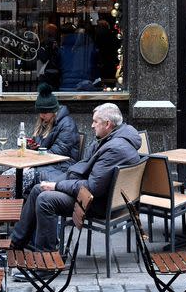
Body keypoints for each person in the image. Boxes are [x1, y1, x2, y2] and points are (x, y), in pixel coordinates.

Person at [9, 103, 141, 266]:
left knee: (45, 200)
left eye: (95, 122)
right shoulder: (112, 138)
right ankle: (15, 245)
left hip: (96, 202)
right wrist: (54, 183)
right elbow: (83, 169)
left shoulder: (115, 147)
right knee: (38, 188)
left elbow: (92, 188)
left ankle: (46, 263)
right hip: (96, 195)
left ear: (108, 124)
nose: (92, 125)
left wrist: (57, 186)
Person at [3, 83, 80, 196]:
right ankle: (3, 202)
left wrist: (32, 163)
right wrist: (32, 147)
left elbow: (56, 153)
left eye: (44, 112)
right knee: (9, 174)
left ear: (53, 111)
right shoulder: (45, 122)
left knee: (17, 176)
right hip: (44, 163)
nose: (41, 115)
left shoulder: (67, 124)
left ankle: (8, 204)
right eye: (40, 112)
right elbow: (41, 149)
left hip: (61, 167)